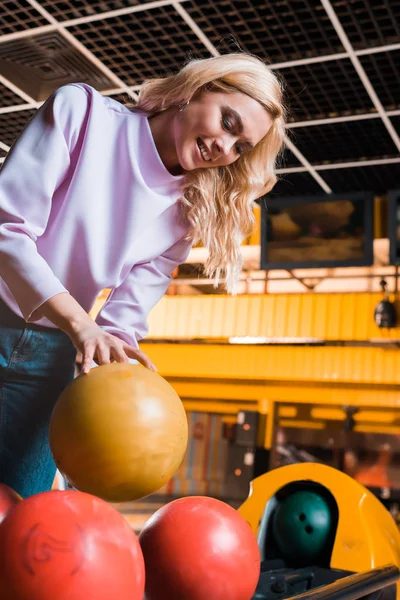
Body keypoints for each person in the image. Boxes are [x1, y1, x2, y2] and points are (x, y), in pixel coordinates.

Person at [0, 53, 286, 498]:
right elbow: (7, 229)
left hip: (54, 356)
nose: (225, 149)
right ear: (196, 89)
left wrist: (114, 374)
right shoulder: (83, 113)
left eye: (241, 147)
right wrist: (82, 326)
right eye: (228, 122)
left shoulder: (185, 213)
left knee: (18, 514)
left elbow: (123, 322)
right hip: (50, 325)